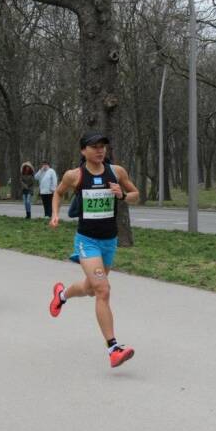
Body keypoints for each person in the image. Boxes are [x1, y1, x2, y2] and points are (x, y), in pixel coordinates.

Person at [49, 132, 139, 368]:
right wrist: (55, 214)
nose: (100, 151)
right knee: (103, 290)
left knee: (90, 288)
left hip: (109, 241)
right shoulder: (75, 175)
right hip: (86, 240)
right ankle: (113, 348)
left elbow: (137, 195)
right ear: (83, 151)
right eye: (95, 147)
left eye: (103, 147)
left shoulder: (117, 172)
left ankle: (61, 296)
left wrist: (123, 195)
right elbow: (58, 193)